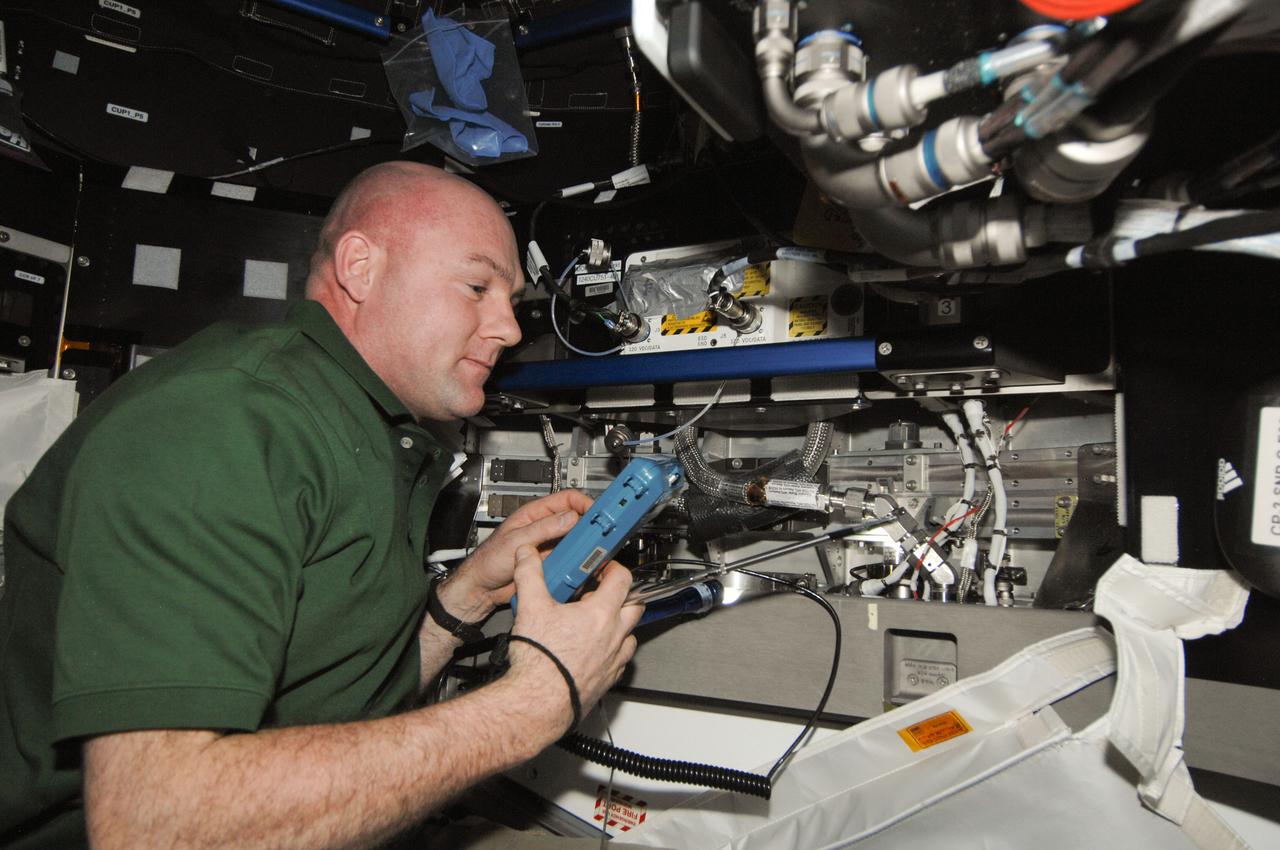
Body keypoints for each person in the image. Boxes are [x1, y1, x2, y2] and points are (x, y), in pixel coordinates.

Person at [0, 161, 644, 849]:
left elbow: (327, 706)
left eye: (509, 300)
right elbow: (160, 824)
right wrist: (531, 704)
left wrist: (459, 602)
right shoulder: (224, 423)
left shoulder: (366, 430)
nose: (509, 329)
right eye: (478, 285)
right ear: (360, 268)